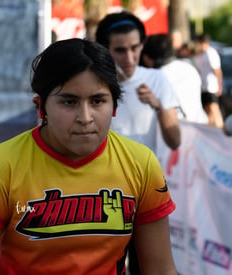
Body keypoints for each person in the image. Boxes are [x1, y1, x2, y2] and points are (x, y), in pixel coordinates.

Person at [0, 38, 177, 274]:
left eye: (98, 101)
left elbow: (161, 268)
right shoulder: (0, 166)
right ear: (40, 106)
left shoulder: (141, 164)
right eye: (69, 101)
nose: (85, 117)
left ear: (114, 106)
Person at [95, 11, 180, 274]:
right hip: (100, 190)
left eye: (135, 48)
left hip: (145, 192)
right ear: (105, 50)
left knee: (148, 265)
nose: (130, 58)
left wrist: (158, 106)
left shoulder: (156, 79)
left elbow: (175, 140)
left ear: (143, 45)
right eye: (120, 50)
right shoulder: (96, 82)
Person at [142, 33, 209, 124]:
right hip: (199, 126)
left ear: (146, 58)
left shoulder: (154, 78)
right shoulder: (189, 68)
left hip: (175, 129)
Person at [193, 33, 224, 128]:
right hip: (204, 86)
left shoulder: (211, 53)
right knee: (208, 110)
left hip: (211, 86)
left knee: (214, 109)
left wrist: (219, 85)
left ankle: (221, 130)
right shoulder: (202, 54)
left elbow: (217, 70)